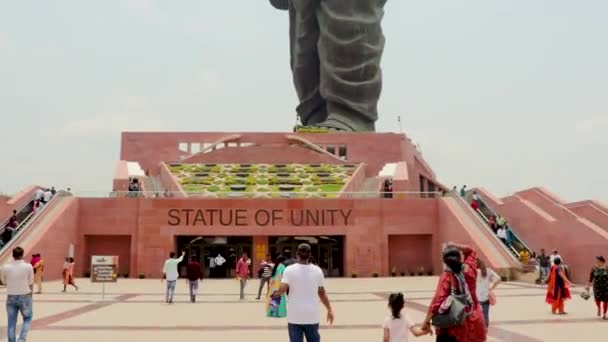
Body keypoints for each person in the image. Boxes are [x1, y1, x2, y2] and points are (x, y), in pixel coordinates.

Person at [419, 243, 486, 342]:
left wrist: (425, 323)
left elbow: (437, 302)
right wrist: (454, 245)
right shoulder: (471, 269)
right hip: (474, 319)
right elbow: (472, 251)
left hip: (455, 325)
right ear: (459, 257)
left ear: (445, 262)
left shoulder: (447, 276)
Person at [273, 243, 334, 342]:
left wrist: (275, 294)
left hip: (295, 316)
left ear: (297, 254)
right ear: (310, 255)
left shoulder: (289, 270)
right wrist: (329, 309)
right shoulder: (317, 271)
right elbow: (322, 293)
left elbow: (282, 289)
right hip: (312, 316)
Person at [1, 247, 34, 342]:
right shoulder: (28, 266)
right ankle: (21, 339)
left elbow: (3, 281)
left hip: (11, 296)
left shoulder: (5, 267)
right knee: (27, 318)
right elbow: (31, 281)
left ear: (13, 255)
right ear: (22, 254)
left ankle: (11, 340)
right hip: (25, 295)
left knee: (11, 321)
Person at [476, 259, 501, 328]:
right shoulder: (488, 271)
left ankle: (478, 329)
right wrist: (492, 288)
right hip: (486, 297)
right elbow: (499, 279)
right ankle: (485, 328)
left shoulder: (474, 272)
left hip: (475, 298)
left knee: (475, 314)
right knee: (485, 314)